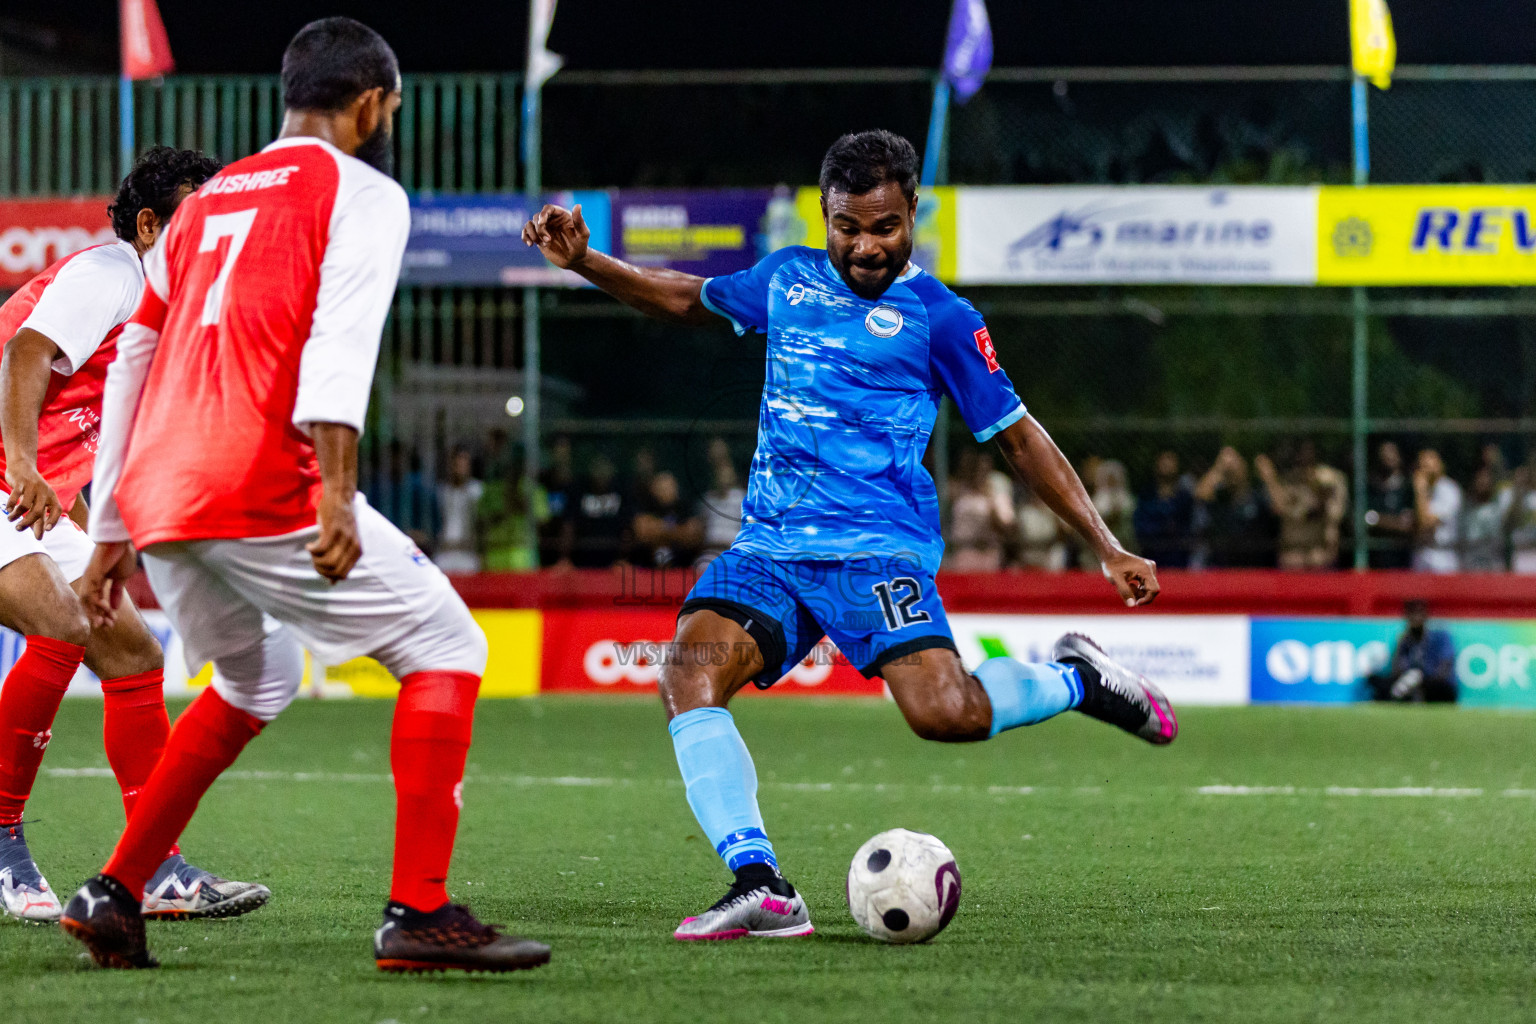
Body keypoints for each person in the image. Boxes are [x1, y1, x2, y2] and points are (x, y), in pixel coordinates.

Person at [523, 128, 1175, 942]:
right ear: (825, 215)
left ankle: (1079, 679)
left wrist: (1106, 544)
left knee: (947, 715)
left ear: (912, 217)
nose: (865, 246)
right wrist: (587, 261)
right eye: (848, 226)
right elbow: (686, 298)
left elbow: (1017, 435)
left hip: (877, 552)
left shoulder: (941, 317)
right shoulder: (786, 280)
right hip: (769, 548)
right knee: (688, 675)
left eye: (884, 227)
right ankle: (762, 885)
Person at [61, 18, 548, 973]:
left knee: (256, 680)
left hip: (161, 493)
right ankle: (420, 911)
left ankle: (114, 892)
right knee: (450, 644)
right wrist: (335, 488)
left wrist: (112, 524)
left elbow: (136, 357)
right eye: (392, 107)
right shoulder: (360, 190)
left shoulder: (208, 202)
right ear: (371, 105)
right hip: (259, 479)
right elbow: (341, 338)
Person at [0, 147, 267, 923]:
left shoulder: (171, 306)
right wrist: (23, 466)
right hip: (7, 481)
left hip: (29, 497)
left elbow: (92, 430)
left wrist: (81, 519)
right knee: (61, 622)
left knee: (133, 650)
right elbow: (24, 356)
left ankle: (155, 869)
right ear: (150, 224)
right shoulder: (111, 274)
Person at [1254, 442, 1347, 570]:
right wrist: (1269, 478)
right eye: (1301, 453)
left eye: (1309, 453)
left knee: (1318, 560)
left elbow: (1331, 513)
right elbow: (1280, 508)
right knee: (1292, 561)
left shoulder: (1331, 478)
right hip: (1293, 551)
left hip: (1320, 550)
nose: (1304, 458)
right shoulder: (1288, 481)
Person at [1193, 447, 1274, 568]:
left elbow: (1279, 509)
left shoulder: (1256, 496)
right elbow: (1200, 495)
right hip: (1221, 564)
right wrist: (1219, 467)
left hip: (1255, 565)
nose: (1233, 473)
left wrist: (1270, 477)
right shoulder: (1219, 497)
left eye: (1237, 466)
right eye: (1229, 471)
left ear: (1245, 469)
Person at [1366, 600, 1457, 703]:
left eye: (1419, 613)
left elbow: (1445, 669)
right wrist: (1409, 678)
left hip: (1433, 684)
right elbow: (1396, 670)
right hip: (1408, 682)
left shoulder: (1440, 637)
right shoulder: (1405, 640)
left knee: (1439, 687)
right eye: (1412, 613)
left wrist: (1419, 679)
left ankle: (1409, 696)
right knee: (1375, 680)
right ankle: (1407, 695)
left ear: (1426, 616)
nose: (1415, 618)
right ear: (1406, 616)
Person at [944, 450, 1014, 571]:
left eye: (984, 469)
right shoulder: (956, 491)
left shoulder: (997, 495)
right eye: (976, 468)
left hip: (989, 552)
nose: (980, 473)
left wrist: (992, 504)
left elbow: (1007, 527)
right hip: (964, 551)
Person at [1132, 450, 1194, 568]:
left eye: (1170, 460)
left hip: (1178, 555)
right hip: (1151, 552)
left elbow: (1189, 525)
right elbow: (1140, 523)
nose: (1167, 464)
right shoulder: (1147, 494)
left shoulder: (1184, 497)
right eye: (1164, 460)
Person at [1364, 441, 1413, 569]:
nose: (1387, 459)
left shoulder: (1407, 487)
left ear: (1399, 457)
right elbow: (1362, 520)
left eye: (1391, 455)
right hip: (1374, 559)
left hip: (1401, 559)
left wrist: (1378, 520)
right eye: (1383, 456)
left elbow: (1408, 525)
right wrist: (1394, 522)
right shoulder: (1369, 487)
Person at [434, 446, 483, 573]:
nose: (460, 467)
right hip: (444, 553)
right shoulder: (442, 491)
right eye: (456, 463)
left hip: (468, 553)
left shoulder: (477, 491)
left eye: (464, 463)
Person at [1411, 448, 1462, 573]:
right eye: (1421, 466)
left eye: (1428, 464)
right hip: (1421, 558)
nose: (1425, 469)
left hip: (1443, 559)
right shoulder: (1419, 490)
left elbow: (1426, 523)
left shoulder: (1449, 490)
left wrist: (1420, 491)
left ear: (1439, 465)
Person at [1458, 466, 1506, 572]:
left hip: (1492, 564)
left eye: (1486, 480)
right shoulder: (1465, 510)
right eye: (1479, 480)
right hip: (1469, 563)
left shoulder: (1498, 509)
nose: (1482, 483)